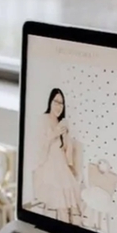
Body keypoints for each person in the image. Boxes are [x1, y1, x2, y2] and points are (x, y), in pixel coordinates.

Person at [32, 88, 82, 223]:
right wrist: (54, 133)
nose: (59, 106)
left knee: (68, 203)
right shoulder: (43, 119)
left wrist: (66, 136)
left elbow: (65, 150)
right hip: (48, 165)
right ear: (50, 101)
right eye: (56, 102)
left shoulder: (63, 122)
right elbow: (39, 147)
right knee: (59, 201)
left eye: (62, 103)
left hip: (60, 164)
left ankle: (69, 230)